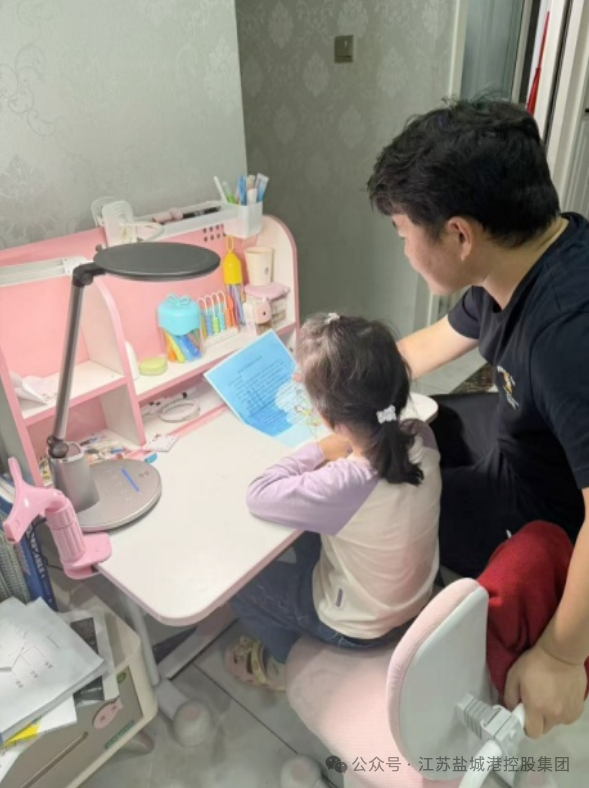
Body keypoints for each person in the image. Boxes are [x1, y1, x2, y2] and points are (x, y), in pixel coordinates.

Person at [367, 97, 589, 737]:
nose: (404, 248)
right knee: (425, 430)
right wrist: (341, 384)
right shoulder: (523, 257)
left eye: (404, 233)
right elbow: (428, 347)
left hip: (552, 513)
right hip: (524, 436)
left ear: (460, 235)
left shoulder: (565, 336)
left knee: (392, 507)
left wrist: (560, 654)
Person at [225, 314, 441, 690]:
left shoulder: (343, 483)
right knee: (313, 534)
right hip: (417, 598)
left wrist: (319, 449)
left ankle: (281, 665)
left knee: (240, 586)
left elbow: (258, 494)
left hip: (362, 627)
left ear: (328, 419)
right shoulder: (420, 434)